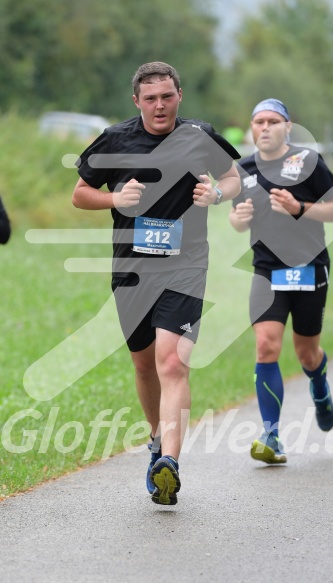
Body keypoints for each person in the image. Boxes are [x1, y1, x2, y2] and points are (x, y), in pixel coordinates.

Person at [72, 62, 241, 504]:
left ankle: (170, 461)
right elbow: (79, 193)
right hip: (131, 270)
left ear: (179, 95)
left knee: (172, 362)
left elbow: (234, 177)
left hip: (186, 266)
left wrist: (218, 194)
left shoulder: (200, 134)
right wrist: (114, 198)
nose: (160, 105)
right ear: (137, 102)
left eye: (167, 96)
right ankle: (155, 442)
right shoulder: (115, 139)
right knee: (145, 364)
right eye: (151, 98)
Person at [229, 98, 333, 464]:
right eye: (258, 122)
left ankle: (319, 386)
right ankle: (271, 435)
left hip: (310, 267)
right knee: (266, 345)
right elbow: (235, 220)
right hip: (267, 269)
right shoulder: (242, 168)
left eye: (272, 121)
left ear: (288, 127)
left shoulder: (308, 162)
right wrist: (241, 218)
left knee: (306, 353)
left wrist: (301, 209)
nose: (264, 128)